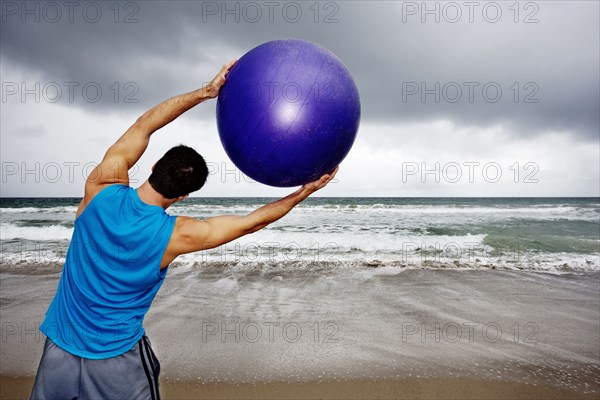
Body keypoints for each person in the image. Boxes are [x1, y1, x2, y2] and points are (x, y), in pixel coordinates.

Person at [30, 60, 338, 400]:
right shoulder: (176, 236)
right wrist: (305, 190)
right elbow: (253, 222)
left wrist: (206, 92)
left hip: (58, 346)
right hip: (115, 359)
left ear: (152, 166)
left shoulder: (100, 187)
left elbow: (144, 124)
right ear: (183, 196)